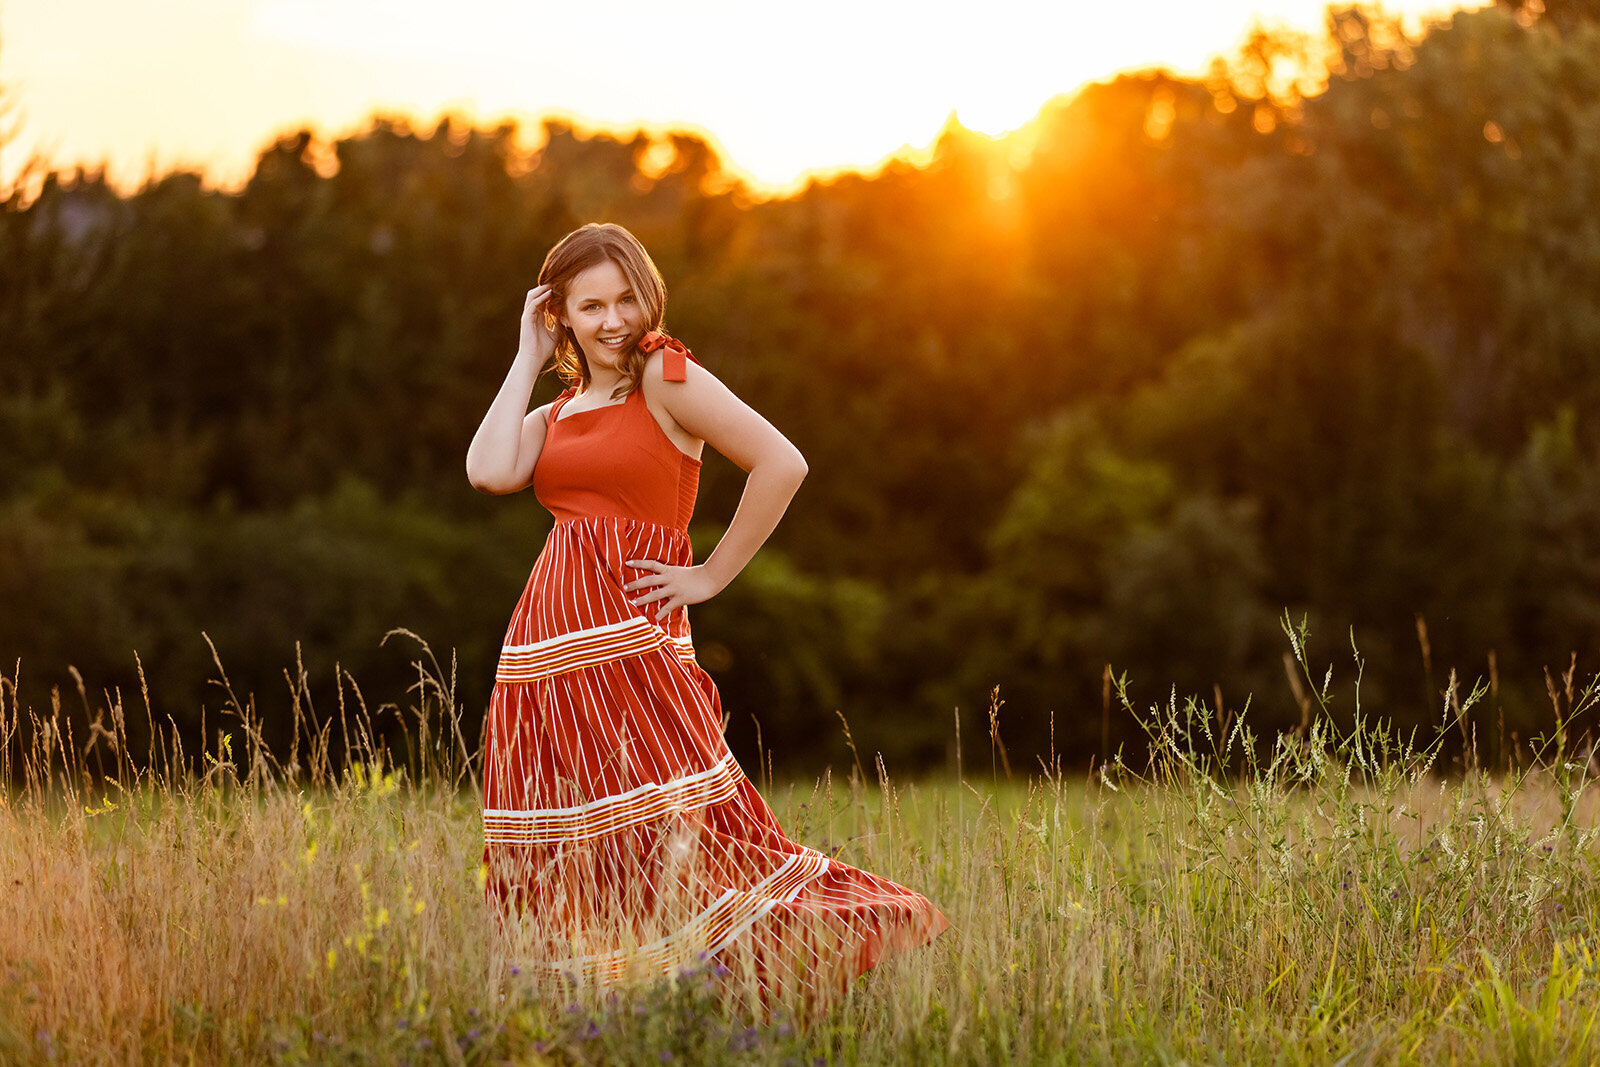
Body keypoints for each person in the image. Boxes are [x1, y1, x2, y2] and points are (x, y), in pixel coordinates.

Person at [466, 222, 947, 1003]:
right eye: (590, 306)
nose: (614, 319)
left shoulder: (665, 375)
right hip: (546, 657)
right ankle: (618, 1008)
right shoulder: (556, 414)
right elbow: (487, 470)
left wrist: (712, 573)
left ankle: (803, 958)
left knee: (689, 828)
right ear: (561, 314)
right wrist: (526, 353)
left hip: (635, 644)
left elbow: (781, 462)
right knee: (580, 842)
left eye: (627, 298)